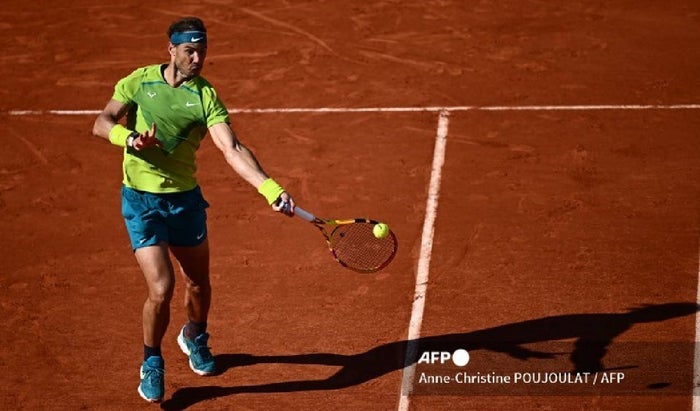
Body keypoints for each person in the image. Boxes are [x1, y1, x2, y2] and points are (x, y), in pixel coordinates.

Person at [92, 16, 294, 403]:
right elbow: (101, 123)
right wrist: (130, 139)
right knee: (162, 287)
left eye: (202, 51)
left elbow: (232, 148)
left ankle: (195, 336)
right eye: (189, 51)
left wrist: (269, 187)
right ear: (171, 50)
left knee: (198, 284)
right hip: (141, 202)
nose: (197, 58)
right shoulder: (138, 82)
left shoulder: (205, 96)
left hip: (185, 202)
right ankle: (152, 361)